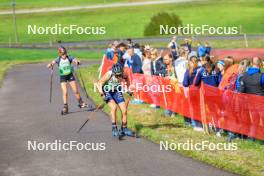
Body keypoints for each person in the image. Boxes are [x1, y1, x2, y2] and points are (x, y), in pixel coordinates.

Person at [47, 46, 88, 114]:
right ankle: (65, 107)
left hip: (70, 76)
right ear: (60, 54)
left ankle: (81, 103)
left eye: (65, 53)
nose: (64, 55)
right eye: (62, 54)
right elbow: (52, 63)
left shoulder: (70, 57)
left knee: (75, 91)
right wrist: (50, 65)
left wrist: (78, 62)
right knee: (65, 92)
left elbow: (76, 60)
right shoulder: (58, 59)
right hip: (63, 77)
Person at [97, 63, 134, 137]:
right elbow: (99, 83)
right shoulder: (108, 74)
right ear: (113, 73)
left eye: (119, 75)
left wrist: (128, 90)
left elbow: (127, 80)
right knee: (114, 107)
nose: (118, 77)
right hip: (107, 91)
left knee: (124, 110)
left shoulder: (123, 74)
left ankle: (124, 128)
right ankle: (114, 128)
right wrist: (102, 94)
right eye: (116, 75)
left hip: (116, 91)